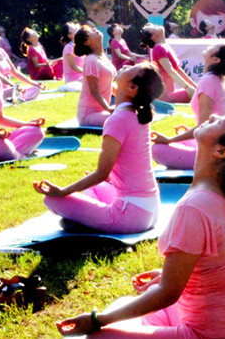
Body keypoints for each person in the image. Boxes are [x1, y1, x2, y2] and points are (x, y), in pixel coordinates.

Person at [54, 108, 225, 339]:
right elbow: (216, 265)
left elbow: (168, 294)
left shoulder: (196, 206)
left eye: (223, 121)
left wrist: (98, 320)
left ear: (221, 151)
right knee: (138, 300)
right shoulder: (222, 194)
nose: (213, 116)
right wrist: (169, 274)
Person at [34, 63, 165, 233]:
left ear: (132, 87)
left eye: (130, 68)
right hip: (150, 210)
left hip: (130, 216)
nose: (125, 66)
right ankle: (84, 221)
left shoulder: (118, 119)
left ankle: (84, 223)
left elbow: (101, 173)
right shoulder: (137, 115)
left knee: (51, 200)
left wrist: (62, 191)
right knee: (93, 187)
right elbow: (128, 161)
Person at [152, 45, 225, 169]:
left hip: (211, 151)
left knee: (156, 149)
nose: (212, 45)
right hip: (218, 143)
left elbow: (204, 126)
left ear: (215, 60)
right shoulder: (219, 79)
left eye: (215, 47)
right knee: (181, 139)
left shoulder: (209, 81)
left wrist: (169, 139)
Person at [0, 23, 42, 102]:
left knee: (36, 88)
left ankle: (18, 97)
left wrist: (33, 83)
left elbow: (14, 72)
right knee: (16, 91)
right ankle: (17, 97)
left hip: (10, 89)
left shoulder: (1, 51)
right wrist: (14, 86)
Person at [140, 23, 196, 103]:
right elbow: (170, 71)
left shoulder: (163, 45)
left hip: (169, 94)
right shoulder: (159, 48)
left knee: (199, 90)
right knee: (200, 93)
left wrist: (193, 85)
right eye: (153, 27)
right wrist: (187, 87)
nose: (156, 25)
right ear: (153, 37)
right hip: (166, 96)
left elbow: (178, 70)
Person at [74, 25, 116, 127]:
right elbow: (94, 89)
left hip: (101, 111)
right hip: (88, 114)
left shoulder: (102, 57)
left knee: (131, 114)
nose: (95, 29)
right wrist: (108, 108)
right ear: (87, 42)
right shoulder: (91, 60)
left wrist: (128, 99)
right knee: (121, 120)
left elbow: (109, 84)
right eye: (90, 31)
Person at [59, 22, 83, 89]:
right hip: (74, 80)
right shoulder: (69, 47)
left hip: (81, 77)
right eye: (74, 29)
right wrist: (87, 72)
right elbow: (73, 66)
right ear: (69, 35)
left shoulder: (78, 45)